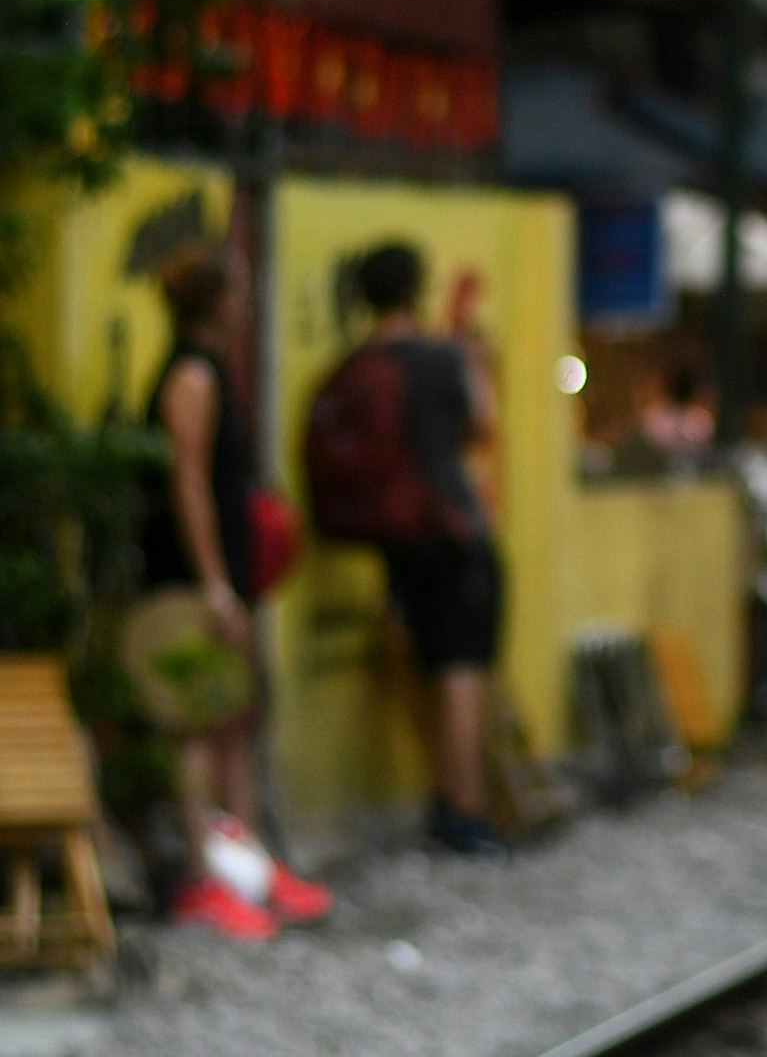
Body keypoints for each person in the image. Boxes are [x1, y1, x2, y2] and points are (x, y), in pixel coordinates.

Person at [137, 244, 331, 938]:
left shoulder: (215, 370)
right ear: (216, 302)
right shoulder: (191, 375)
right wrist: (214, 583)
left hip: (226, 579)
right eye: (239, 292)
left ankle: (245, 864)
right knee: (196, 723)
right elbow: (187, 482)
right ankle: (201, 874)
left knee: (233, 720)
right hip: (192, 583)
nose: (247, 304)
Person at [352, 242, 506, 857]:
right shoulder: (442, 359)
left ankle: (445, 801)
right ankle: (462, 808)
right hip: (450, 525)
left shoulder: (361, 363)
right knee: (461, 669)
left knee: (429, 662)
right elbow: (483, 427)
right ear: (415, 290)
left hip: (395, 535)